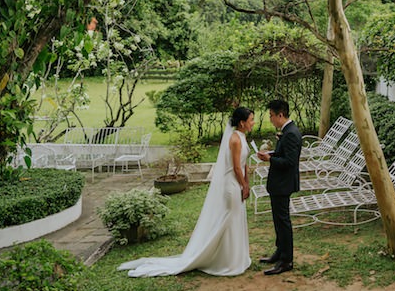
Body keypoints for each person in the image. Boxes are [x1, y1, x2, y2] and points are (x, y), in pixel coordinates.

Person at [118, 107, 255, 277]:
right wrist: (244, 185)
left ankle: (236, 258)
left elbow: (244, 164)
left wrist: (247, 182)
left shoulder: (243, 136)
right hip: (232, 186)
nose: (253, 123)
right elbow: (235, 167)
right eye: (251, 120)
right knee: (229, 221)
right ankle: (223, 260)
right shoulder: (235, 139)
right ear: (242, 122)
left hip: (239, 183)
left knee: (236, 220)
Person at [256, 99, 301, 275]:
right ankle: (279, 252)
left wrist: (270, 159)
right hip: (279, 183)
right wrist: (272, 154)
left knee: (283, 222)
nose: (271, 119)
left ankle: (286, 260)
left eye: (272, 116)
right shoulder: (287, 131)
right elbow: (284, 154)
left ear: (280, 115)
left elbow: (290, 162)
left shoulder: (290, 133)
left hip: (283, 183)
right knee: (278, 220)